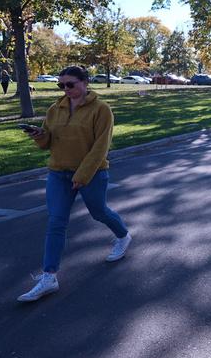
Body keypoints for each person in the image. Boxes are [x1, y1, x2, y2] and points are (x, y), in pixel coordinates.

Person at [18, 65, 132, 302]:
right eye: (61, 85)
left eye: (70, 84)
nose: (66, 89)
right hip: (58, 172)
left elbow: (101, 147)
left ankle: (123, 236)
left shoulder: (101, 110)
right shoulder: (55, 109)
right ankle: (49, 276)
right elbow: (49, 141)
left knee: (99, 212)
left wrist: (82, 176)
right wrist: (39, 136)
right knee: (56, 221)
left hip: (92, 174)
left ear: (85, 82)